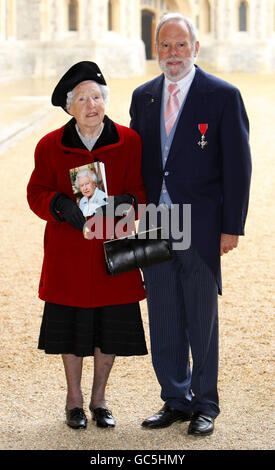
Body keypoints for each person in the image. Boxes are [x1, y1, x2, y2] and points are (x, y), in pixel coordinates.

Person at [130, 13, 251, 436]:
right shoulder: (143, 97)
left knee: (201, 318)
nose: (173, 53)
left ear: (195, 48)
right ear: (156, 49)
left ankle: (206, 404)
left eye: (181, 45)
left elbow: (238, 167)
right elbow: (135, 164)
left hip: (198, 224)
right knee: (163, 315)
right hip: (155, 222)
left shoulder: (222, 95)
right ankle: (175, 399)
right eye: (165, 45)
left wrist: (231, 226)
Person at [27, 61, 147, 430]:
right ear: (69, 107)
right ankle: (74, 400)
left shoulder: (129, 141)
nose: (91, 104)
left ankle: (100, 399)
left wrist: (126, 202)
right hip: (69, 255)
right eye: (82, 98)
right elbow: (36, 193)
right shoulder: (49, 145)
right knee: (74, 329)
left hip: (112, 253)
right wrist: (59, 205)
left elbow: (142, 192)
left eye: (96, 96)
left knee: (107, 327)